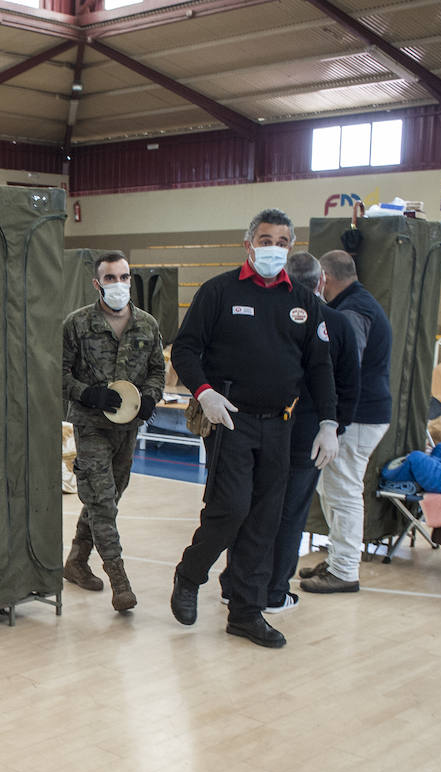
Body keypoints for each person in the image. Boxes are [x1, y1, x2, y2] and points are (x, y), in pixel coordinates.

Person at [168, 209, 338, 649]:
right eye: (266, 239)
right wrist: (204, 391)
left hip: (280, 425)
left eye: (283, 241)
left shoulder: (303, 301)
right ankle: (190, 574)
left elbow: (319, 367)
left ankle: (245, 612)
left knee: (265, 520)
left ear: (291, 247)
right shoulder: (218, 291)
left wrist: (329, 422)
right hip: (230, 420)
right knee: (231, 510)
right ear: (248, 243)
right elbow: (186, 349)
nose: (274, 248)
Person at [220, 252, 359, 612]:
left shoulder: (270, 315)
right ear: (320, 282)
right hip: (300, 435)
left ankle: (236, 584)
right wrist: (334, 427)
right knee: (286, 514)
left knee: (249, 509)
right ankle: (272, 592)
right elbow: (349, 386)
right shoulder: (334, 322)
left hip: (267, 430)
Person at [61, 251, 165, 613]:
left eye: (124, 277)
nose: (118, 285)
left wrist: (151, 398)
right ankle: (119, 582)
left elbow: (156, 371)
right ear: (97, 283)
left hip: (128, 427)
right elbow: (58, 373)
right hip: (91, 425)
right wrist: (86, 393)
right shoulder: (76, 324)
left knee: (109, 495)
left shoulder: (148, 325)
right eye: (110, 278)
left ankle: (76, 559)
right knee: (102, 501)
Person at [301, 250, 394, 594]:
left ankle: (344, 570)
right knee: (333, 489)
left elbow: (343, 368)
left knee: (343, 491)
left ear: (324, 277)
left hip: (358, 416)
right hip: (363, 413)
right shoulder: (357, 302)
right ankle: (339, 558)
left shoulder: (353, 312)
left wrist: (332, 419)